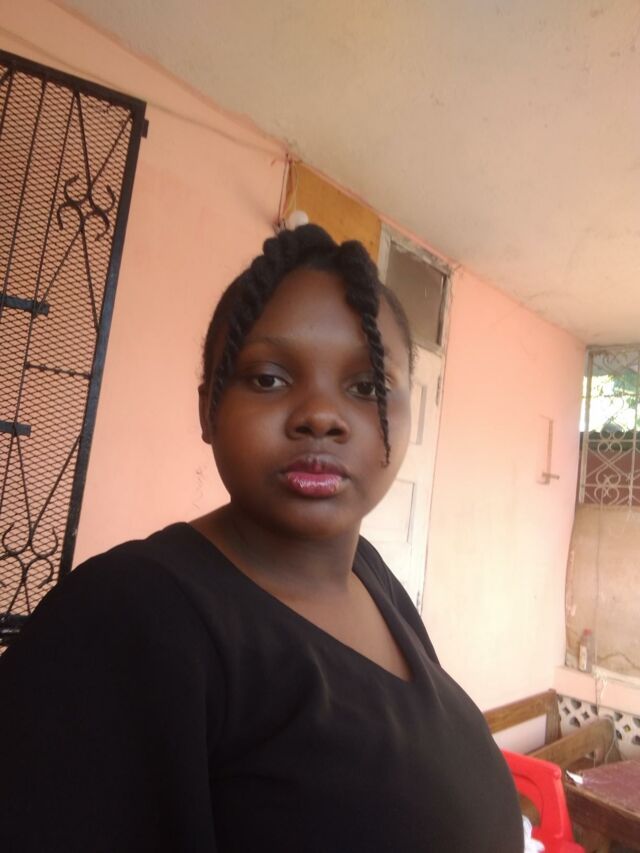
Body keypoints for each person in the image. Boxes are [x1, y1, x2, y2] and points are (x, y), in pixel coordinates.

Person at [0, 225, 524, 852]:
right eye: (269, 379)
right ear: (208, 410)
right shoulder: (129, 616)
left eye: (366, 387)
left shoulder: (370, 575)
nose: (321, 416)